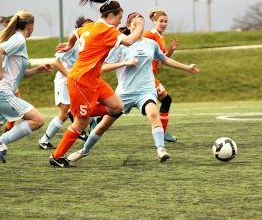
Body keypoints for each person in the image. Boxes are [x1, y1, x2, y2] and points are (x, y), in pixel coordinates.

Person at [67, 12, 199, 163]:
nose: (140, 26)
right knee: (103, 125)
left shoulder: (151, 44)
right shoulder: (121, 46)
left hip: (146, 91)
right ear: (129, 27)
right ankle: (84, 151)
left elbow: (165, 60)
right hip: (125, 94)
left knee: (153, 114)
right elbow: (103, 66)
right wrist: (124, 63)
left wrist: (187, 67)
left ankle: (161, 149)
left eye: (141, 22)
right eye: (136, 23)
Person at [49, 0, 144, 167]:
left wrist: (69, 46)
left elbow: (74, 34)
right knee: (81, 124)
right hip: (81, 80)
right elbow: (129, 41)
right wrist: (139, 27)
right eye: (119, 18)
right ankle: (56, 156)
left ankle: (78, 110)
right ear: (110, 16)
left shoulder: (90, 26)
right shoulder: (106, 30)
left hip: (94, 80)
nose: (119, 22)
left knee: (117, 107)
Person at [0, 10, 53, 183]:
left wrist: (37, 70)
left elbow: (16, 73)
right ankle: (1, 142)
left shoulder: (15, 40)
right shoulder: (18, 39)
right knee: (37, 120)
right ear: (30, 26)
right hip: (1, 92)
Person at [38, 16, 95, 150]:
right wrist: (70, 76)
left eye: (91, 26)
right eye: (86, 26)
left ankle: (80, 131)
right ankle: (44, 140)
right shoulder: (74, 43)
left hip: (76, 83)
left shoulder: (88, 44)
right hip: (64, 82)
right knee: (64, 113)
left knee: (85, 109)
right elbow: (56, 62)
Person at [142, 8, 179, 142]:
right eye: (161, 21)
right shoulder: (149, 35)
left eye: (166, 22)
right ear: (154, 21)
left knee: (166, 100)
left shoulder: (160, 37)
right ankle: (97, 118)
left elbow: (163, 59)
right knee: (118, 108)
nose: (163, 24)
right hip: (144, 77)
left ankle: (162, 132)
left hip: (151, 78)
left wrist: (171, 50)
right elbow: (136, 43)